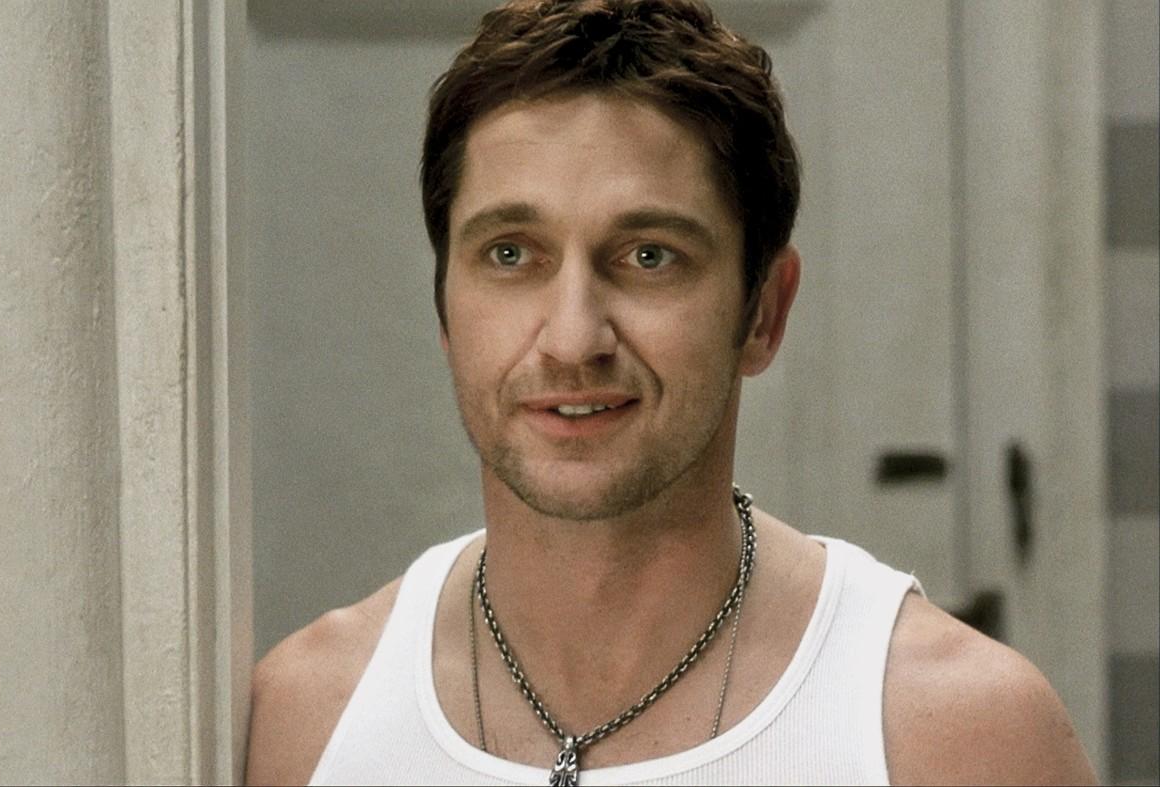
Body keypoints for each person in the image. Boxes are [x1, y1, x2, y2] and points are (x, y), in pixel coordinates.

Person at [246, 0, 1097, 784]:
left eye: (649, 256)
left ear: (763, 312)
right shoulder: (308, 719)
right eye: (510, 253)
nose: (573, 338)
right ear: (444, 304)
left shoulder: (958, 733)